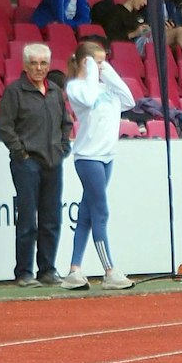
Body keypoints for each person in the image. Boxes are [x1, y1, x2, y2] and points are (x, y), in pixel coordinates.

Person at [61, 43, 136, 290]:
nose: (102, 66)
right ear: (86, 63)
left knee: (86, 214)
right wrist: (92, 69)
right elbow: (90, 98)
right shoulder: (76, 87)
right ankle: (109, 271)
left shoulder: (106, 87)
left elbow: (129, 100)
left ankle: (74, 270)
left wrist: (107, 70)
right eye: (97, 62)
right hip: (88, 156)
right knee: (101, 212)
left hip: (106, 156)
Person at [0, 44, 72, 287]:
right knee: (28, 219)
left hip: (53, 162)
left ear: (49, 66)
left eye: (43, 64)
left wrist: (63, 147)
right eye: (34, 63)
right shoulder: (14, 91)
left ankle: (47, 269)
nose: (39, 68)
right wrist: (21, 153)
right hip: (27, 163)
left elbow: (66, 123)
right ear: (25, 65)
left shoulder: (55, 91)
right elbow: (5, 127)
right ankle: (24, 272)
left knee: (52, 218)